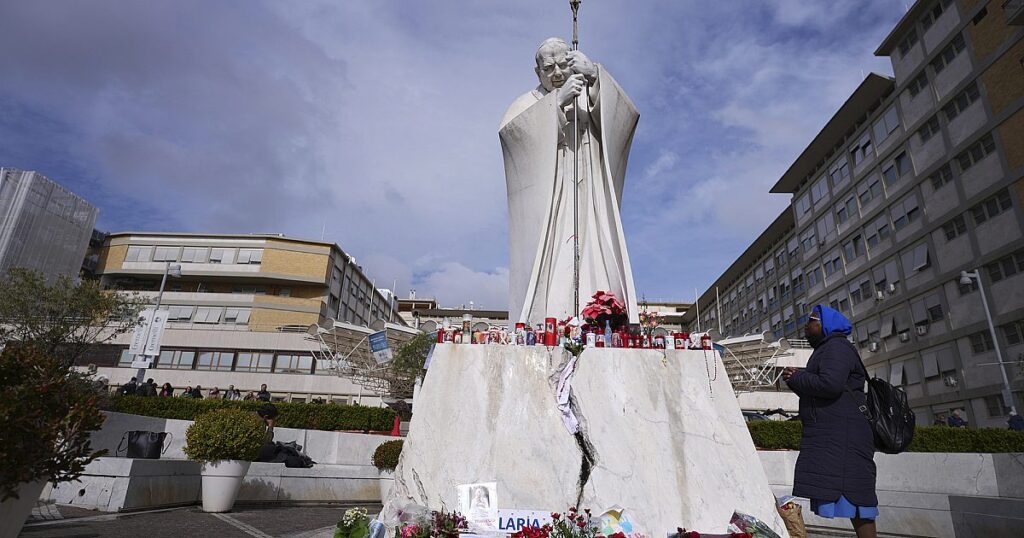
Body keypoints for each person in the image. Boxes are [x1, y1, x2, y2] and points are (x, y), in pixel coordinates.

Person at [499, 37, 641, 325]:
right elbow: (512, 136)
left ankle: (598, 313)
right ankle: (549, 318)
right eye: (548, 68)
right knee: (554, 255)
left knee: (593, 248)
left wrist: (595, 76)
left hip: (589, 191)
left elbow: (625, 117)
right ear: (537, 72)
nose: (556, 73)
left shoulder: (587, 93)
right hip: (550, 195)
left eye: (563, 65)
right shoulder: (527, 103)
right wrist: (556, 104)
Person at [783, 305, 877, 538]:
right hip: (838, 434)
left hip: (845, 437)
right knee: (854, 496)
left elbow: (830, 385)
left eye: (811, 321)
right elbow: (822, 391)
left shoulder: (837, 347)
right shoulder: (828, 349)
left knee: (858, 497)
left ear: (825, 324)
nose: (806, 326)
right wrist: (796, 380)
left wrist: (798, 377)